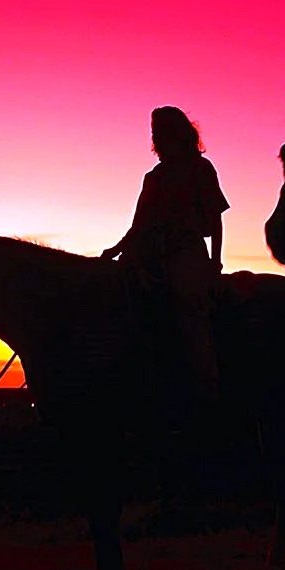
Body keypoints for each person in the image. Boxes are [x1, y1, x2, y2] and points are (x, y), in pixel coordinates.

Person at [103, 106, 229, 408]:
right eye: (154, 132)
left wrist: (214, 264)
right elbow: (138, 226)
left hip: (184, 252)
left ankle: (207, 387)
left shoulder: (201, 169)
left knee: (188, 305)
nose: (155, 137)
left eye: (160, 131)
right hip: (146, 253)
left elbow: (215, 221)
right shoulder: (153, 178)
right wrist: (116, 250)